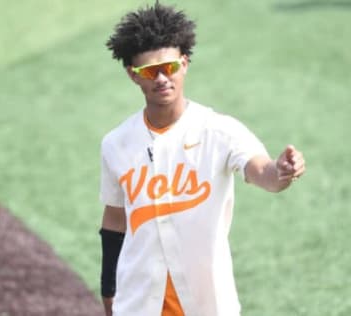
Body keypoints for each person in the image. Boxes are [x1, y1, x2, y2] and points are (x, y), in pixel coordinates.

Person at [98, 2, 306, 316]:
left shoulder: (219, 131)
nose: (162, 78)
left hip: (208, 303)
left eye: (169, 67)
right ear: (133, 75)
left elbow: (261, 170)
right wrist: (108, 287)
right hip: (138, 303)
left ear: (184, 64)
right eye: (149, 71)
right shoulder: (115, 144)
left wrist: (281, 172)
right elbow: (115, 220)